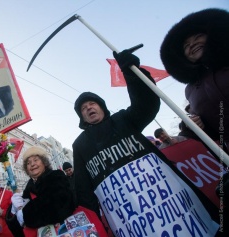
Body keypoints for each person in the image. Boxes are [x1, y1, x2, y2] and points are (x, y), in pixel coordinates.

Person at [72, 49, 221, 236]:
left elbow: (146, 105)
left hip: (170, 199)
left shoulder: (123, 119)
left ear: (102, 107)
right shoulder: (79, 145)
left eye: (92, 103)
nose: (89, 108)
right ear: (83, 118)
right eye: (84, 109)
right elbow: (83, 189)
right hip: (130, 217)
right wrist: (92, 226)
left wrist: (132, 73)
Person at [160, 8, 229, 149]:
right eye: (186, 46)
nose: (192, 44)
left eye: (197, 37)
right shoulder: (190, 91)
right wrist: (197, 127)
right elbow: (216, 133)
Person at [6, 146, 75, 236]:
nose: (32, 164)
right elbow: (19, 228)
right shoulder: (29, 186)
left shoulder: (56, 176)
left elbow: (55, 207)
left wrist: (23, 213)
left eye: (36, 160)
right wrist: (14, 210)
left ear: (44, 162)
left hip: (64, 231)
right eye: (28, 163)